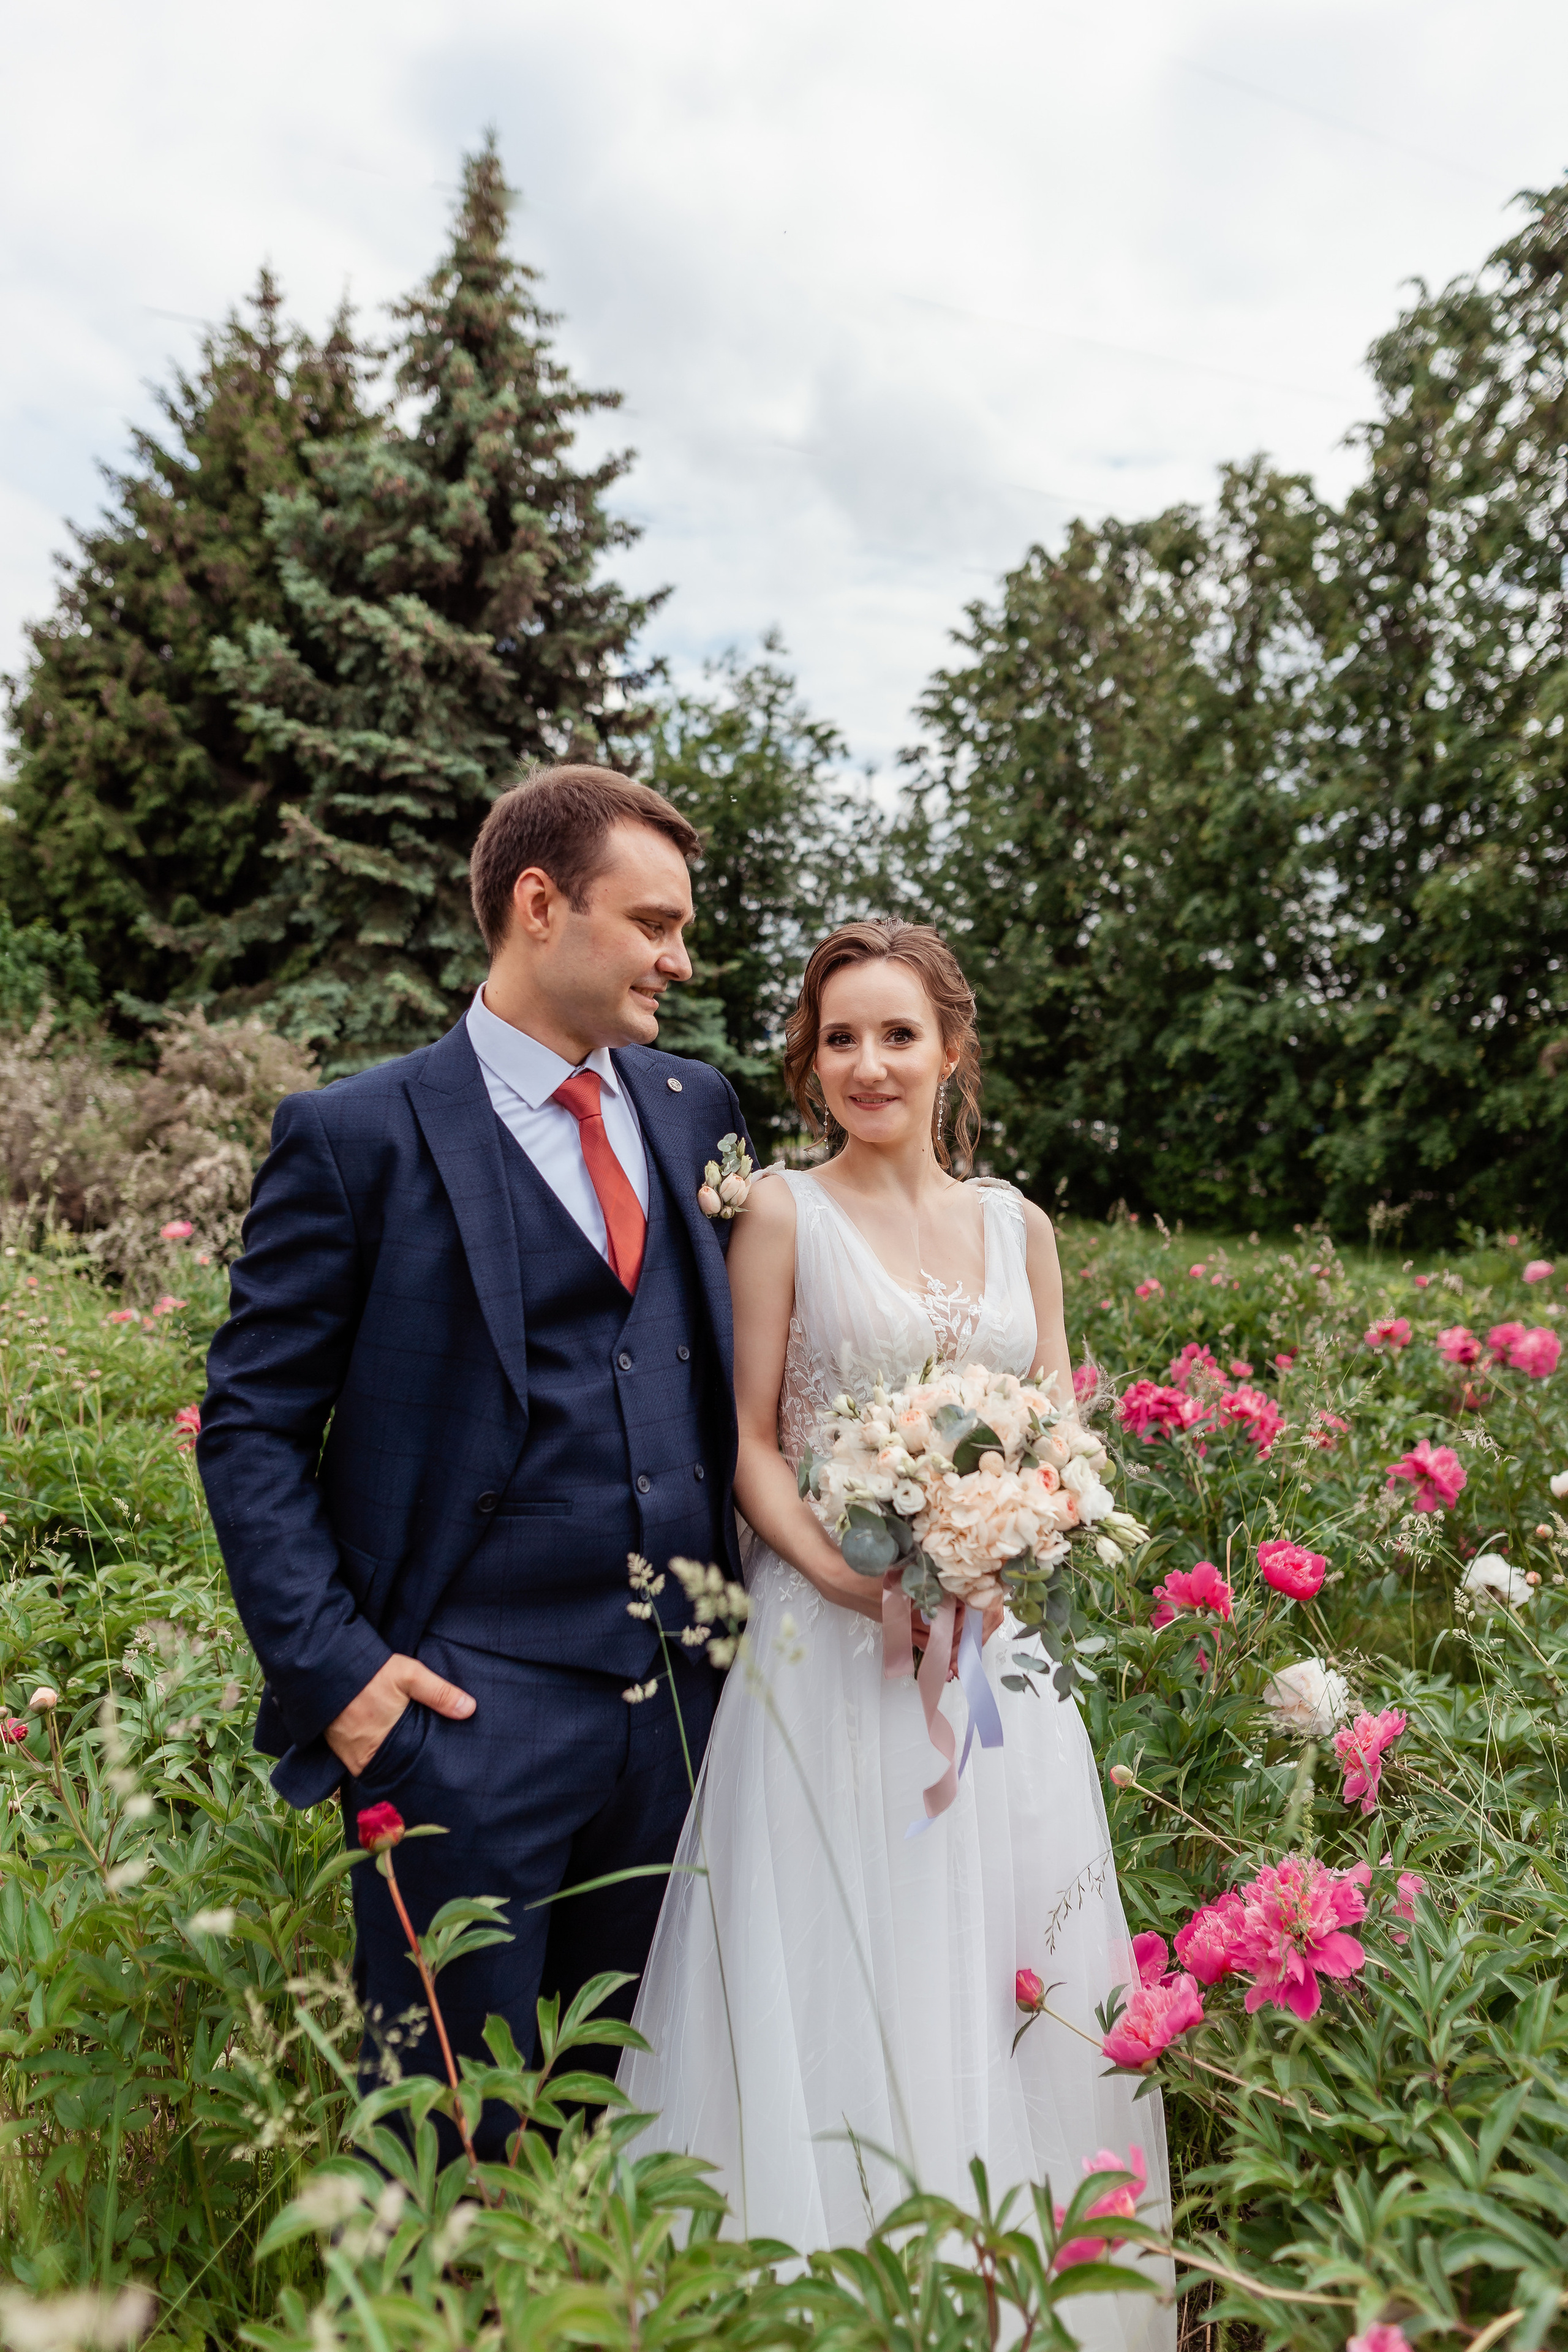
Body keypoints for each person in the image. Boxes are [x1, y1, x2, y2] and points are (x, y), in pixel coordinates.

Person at [620, 919, 1173, 2348]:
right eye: (840, 1038)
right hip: (831, 1656)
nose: (868, 1063)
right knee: (839, 1961)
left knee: (1004, 1962)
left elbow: (1059, 1430)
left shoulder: (1018, 1226)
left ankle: (1014, 2306)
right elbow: (746, 1445)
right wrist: (862, 1580)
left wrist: (1015, 1537)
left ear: (949, 1051)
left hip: (1000, 1673)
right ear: (807, 1062)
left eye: (896, 1034)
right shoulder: (782, 1214)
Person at [198, 765, 752, 2134]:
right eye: (654, 924)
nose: (680, 960)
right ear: (538, 904)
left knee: (631, 2121)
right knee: (448, 2140)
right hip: (457, 1723)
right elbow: (251, 1426)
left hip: (686, 1717)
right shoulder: (353, 1136)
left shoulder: (697, 1111)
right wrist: (344, 1683)